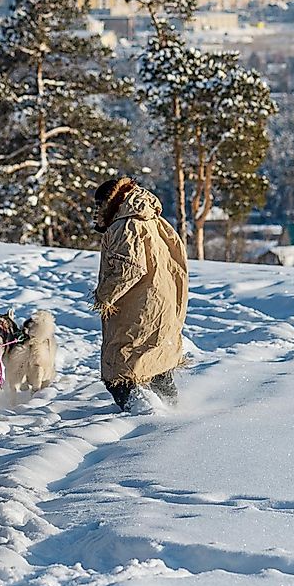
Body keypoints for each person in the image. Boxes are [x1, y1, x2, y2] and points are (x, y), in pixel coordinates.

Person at [92, 176, 189, 411]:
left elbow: (130, 268)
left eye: (97, 206)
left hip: (139, 309)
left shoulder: (125, 226)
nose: (95, 212)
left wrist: (104, 296)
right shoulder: (153, 219)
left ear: (109, 202)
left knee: (120, 375)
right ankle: (175, 412)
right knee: (156, 366)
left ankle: (148, 419)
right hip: (161, 303)